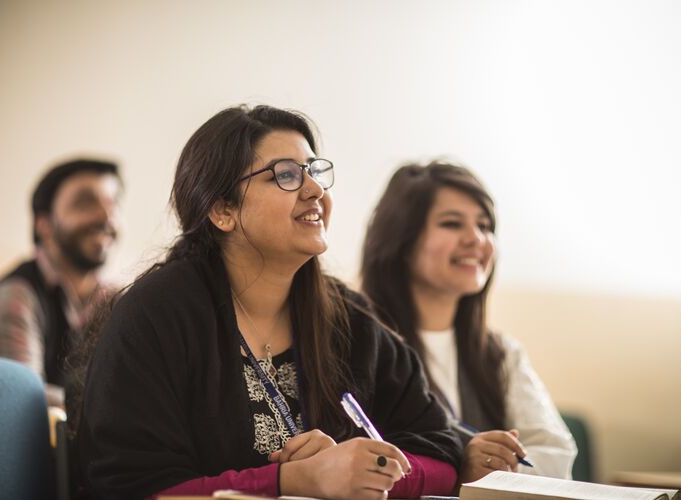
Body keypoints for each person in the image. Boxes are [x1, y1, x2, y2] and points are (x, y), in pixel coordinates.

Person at [74, 105, 463, 500]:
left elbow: (445, 454)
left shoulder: (349, 318)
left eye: (314, 171)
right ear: (223, 210)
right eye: (287, 175)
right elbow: (131, 488)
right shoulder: (155, 315)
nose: (315, 190)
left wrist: (368, 470)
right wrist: (297, 481)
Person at [360, 161, 577, 481]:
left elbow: (556, 455)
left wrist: (499, 467)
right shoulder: (362, 344)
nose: (477, 239)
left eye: (485, 226)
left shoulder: (502, 353)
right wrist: (460, 464)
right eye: (452, 223)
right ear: (401, 241)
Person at [0, 158, 122, 408]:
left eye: (113, 204)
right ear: (44, 224)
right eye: (85, 203)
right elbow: (22, 402)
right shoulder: (13, 298)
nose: (107, 217)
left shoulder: (115, 300)